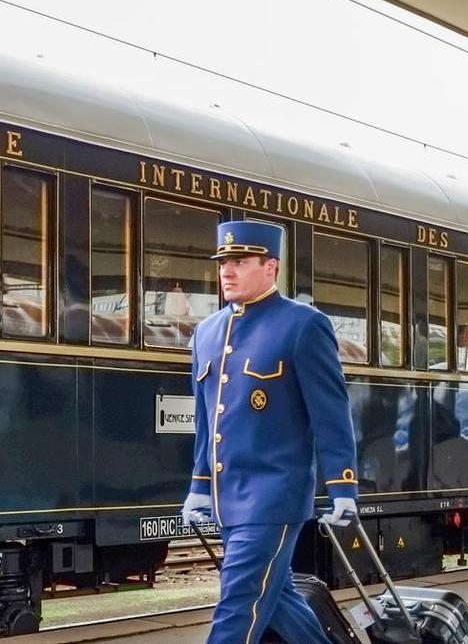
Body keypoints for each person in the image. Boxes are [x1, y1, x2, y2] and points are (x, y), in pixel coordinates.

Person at [181, 220, 358, 644]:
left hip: (274, 496)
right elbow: (207, 421)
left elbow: (331, 414)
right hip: (229, 499)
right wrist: (200, 485)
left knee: (238, 606)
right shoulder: (206, 333)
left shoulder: (303, 325)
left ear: (271, 267)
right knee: (278, 602)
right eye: (224, 261)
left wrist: (343, 487)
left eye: (240, 261)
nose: (226, 270)